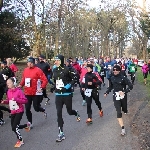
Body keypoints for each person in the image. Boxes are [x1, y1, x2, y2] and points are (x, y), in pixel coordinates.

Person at [53, 54, 80, 142]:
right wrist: (54, 87)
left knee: (69, 111)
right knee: (58, 113)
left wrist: (68, 86)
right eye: (55, 60)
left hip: (67, 94)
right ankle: (61, 133)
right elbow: (56, 80)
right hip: (58, 95)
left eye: (57, 60)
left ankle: (76, 113)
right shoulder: (55, 70)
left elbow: (75, 78)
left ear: (61, 61)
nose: (55, 62)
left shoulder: (67, 69)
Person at [19, 57, 48, 128]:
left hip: (35, 92)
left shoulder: (38, 70)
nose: (29, 64)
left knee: (36, 108)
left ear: (34, 63)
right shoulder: (25, 70)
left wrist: (41, 87)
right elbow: (24, 79)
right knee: (27, 108)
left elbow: (45, 80)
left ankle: (42, 109)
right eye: (28, 63)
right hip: (27, 92)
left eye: (31, 63)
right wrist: (20, 85)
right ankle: (30, 122)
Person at [104, 65, 133, 136]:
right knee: (118, 111)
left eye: (116, 70)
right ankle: (123, 129)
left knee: (124, 109)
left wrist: (124, 91)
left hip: (122, 95)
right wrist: (106, 92)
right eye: (114, 70)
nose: (115, 71)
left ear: (119, 71)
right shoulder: (112, 78)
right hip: (116, 96)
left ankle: (125, 110)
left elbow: (130, 86)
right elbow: (110, 87)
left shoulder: (123, 78)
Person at [1, 78, 30, 148]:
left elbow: (25, 101)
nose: (7, 84)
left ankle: (20, 140)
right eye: (7, 83)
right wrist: (4, 102)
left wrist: (17, 99)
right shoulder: (8, 91)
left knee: (14, 127)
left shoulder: (19, 91)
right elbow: (9, 100)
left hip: (19, 111)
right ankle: (26, 125)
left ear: (14, 83)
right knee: (13, 128)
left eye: (9, 83)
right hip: (13, 111)